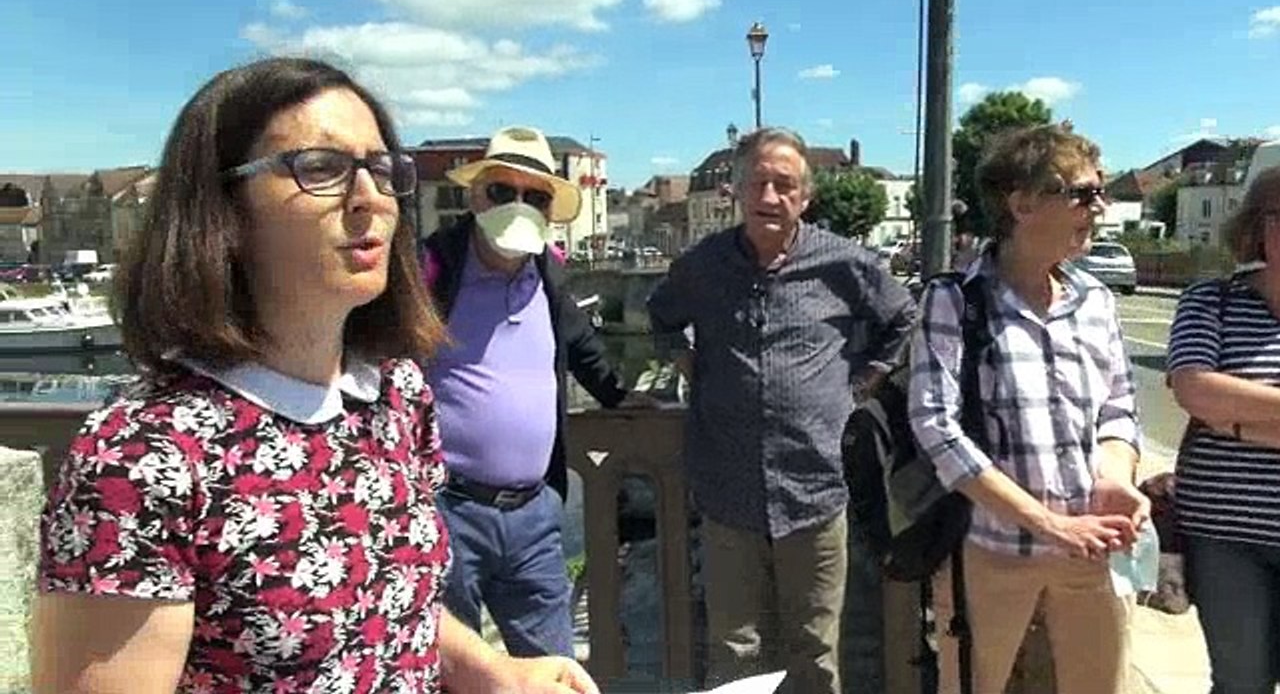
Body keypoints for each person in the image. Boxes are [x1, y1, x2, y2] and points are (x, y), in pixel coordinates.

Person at [31, 57, 597, 694]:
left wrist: (495, 674)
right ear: (223, 209)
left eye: (382, 170)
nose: (371, 199)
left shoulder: (395, 394)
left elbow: (389, 604)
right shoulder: (139, 458)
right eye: (320, 168)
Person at [647, 127, 917, 694]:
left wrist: (864, 380)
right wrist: (685, 361)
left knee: (814, 652)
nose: (770, 197)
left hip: (814, 489)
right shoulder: (704, 265)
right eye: (758, 183)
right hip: (728, 489)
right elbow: (661, 314)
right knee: (733, 650)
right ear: (738, 192)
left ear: (805, 196)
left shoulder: (845, 263)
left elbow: (903, 317)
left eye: (784, 185)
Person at [908, 123, 1148, 694]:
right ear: (1021, 204)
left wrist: (1116, 480)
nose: (1100, 207)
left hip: (1091, 547)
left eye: (1101, 191)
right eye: (1083, 194)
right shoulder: (955, 300)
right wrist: (1047, 523)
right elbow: (936, 427)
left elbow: (1118, 407)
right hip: (992, 550)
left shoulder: (1095, 301)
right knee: (971, 685)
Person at [421, 125, 640, 658]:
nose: (519, 205)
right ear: (475, 196)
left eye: (535, 196)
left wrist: (622, 397)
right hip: (448, 508)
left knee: (554, 669)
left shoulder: (548, 270)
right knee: (453, 671)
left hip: (534, 512)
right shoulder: (433, 267)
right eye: (502, 191)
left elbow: (583, 346)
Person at [1167, 165, 1280, 694]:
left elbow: (1216, 399)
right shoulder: (1211, 300)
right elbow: (1194, 389)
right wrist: (1218, 405)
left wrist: (1235, 420)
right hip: (1225, 536)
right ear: (1260, 228)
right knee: (1241, 683)